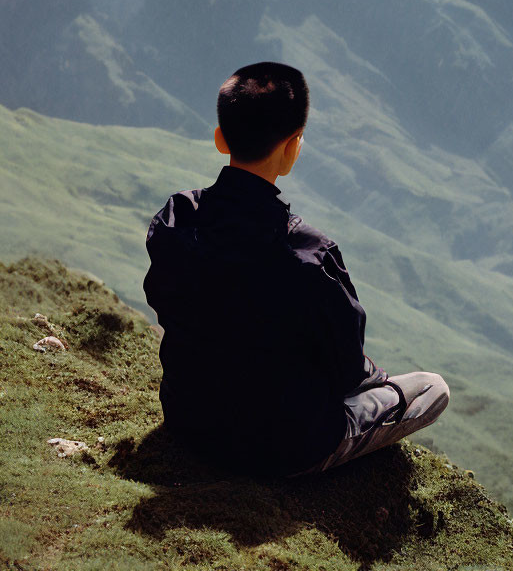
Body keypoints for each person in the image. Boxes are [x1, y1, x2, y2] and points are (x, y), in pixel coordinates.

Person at [144, 61, 449, 477]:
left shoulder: (176, 218)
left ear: (220, 138)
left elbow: (166, 301)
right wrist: (373, 377)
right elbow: (346, 369)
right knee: (432, 387)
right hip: (282, 449)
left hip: (188, 419)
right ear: (293, 148)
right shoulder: (309, 254)